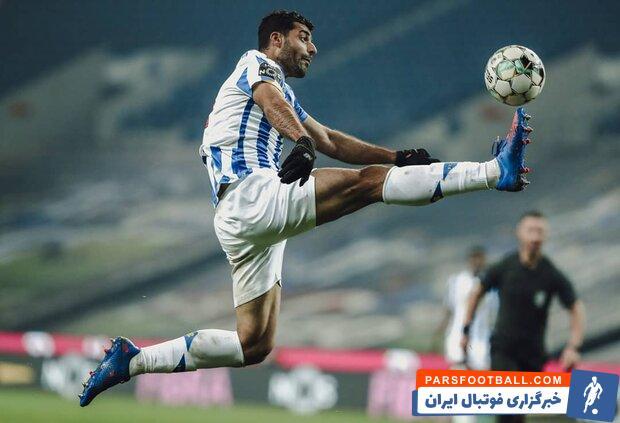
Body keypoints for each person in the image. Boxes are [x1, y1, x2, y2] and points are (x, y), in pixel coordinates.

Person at [80, 10, 534, 406]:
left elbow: (331, 140)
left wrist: (396, 156)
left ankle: (133, 361)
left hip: (240, 218)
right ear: (276, 40)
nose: (312, 48)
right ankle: (494, 172)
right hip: (252, 196)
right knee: (368, 185)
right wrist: (299, 141)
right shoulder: (255, 65)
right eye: (304, 38)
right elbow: (270, 102)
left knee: (253, 344)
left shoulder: (280, 92)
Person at [461, 211, 585, 423]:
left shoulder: (550, 273)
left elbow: (576, 307)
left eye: (540, 231)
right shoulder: (505, 267)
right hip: (504, 351)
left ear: (546, 235)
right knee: (509, 410)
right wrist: (466, 329)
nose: (535, 237)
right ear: (519, 233)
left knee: (519, 415)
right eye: (530, 231)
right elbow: (477, 291)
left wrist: (573, 347)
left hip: (534, 355)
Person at [436, 246, 498, 372]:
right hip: (458, 333)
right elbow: (449, 308)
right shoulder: (457, 281)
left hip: (481, 337)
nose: (477, 262)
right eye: (474, 258)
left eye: (480, 258)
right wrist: (440, 330)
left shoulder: (490, 284)